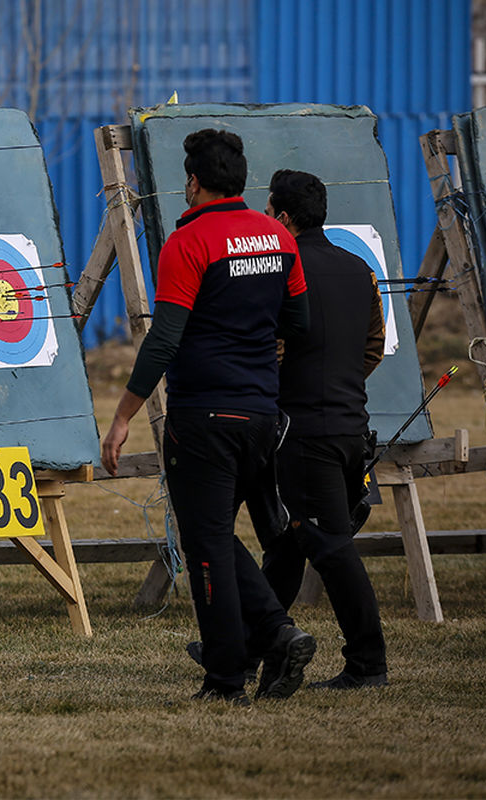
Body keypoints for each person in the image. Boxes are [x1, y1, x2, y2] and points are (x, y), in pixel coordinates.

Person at [100, 129, 316, 705]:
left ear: (193, 183)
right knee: (215, 538)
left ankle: (232, 673)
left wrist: (123, 415)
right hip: (261, 417)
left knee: (206, 545)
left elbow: (165, 337)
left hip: (203, 417)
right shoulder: (278, 237)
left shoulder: (189, 242)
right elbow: (299, 324)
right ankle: (270, 634)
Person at [261, 169, 389, 689]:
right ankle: (242, 646)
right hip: (350, 428)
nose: (267, 221)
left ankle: (367, 663)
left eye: (270, 213)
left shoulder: (282, 272)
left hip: (305, 431)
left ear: (285, 218)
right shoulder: (359, 268)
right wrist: (336, 383)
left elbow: (271, 351)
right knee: (289, 546)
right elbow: (372, 349)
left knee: (327, 545)